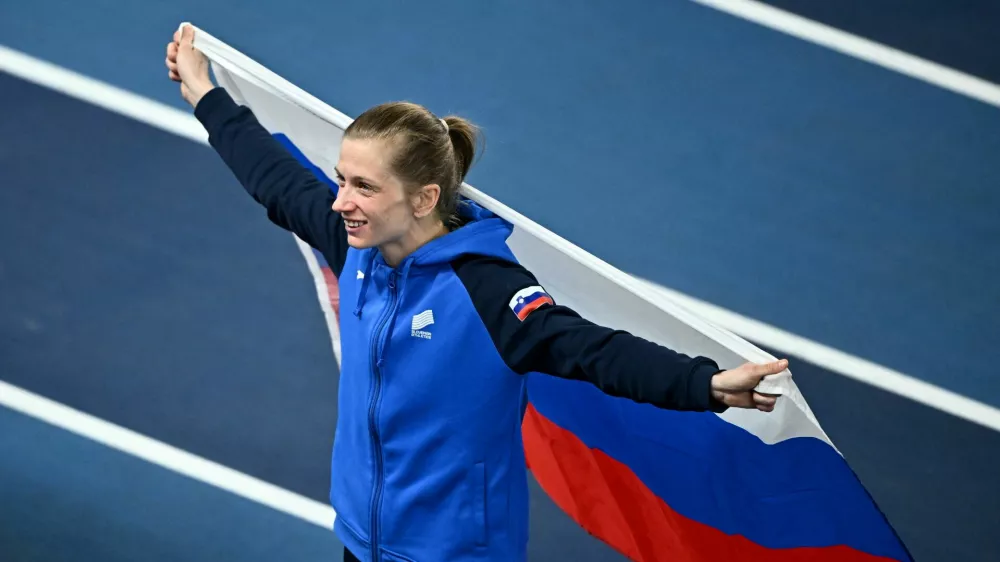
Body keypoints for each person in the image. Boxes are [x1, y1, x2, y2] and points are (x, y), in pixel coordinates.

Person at [166, 25, 787, 562]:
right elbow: (272, 178)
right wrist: (203, 91)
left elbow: (592, 350)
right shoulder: (352, 249)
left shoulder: (489, 291)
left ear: (424, 198)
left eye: (363, 186)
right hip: (363, 539)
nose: (341, 201)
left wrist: (704, 384)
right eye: (340, 180)